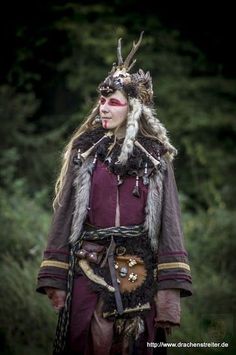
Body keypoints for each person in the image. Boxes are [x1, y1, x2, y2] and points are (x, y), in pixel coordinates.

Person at [36, 32, 192, 355]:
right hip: (89, 273)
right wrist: (54, 275)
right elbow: (65, 215)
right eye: (102, 101)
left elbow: (170, 225)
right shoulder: (86, 154)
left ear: (132, 108)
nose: (104, 108)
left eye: (114, 102)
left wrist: (168, 297)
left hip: (141, 278)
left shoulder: (156, 159)